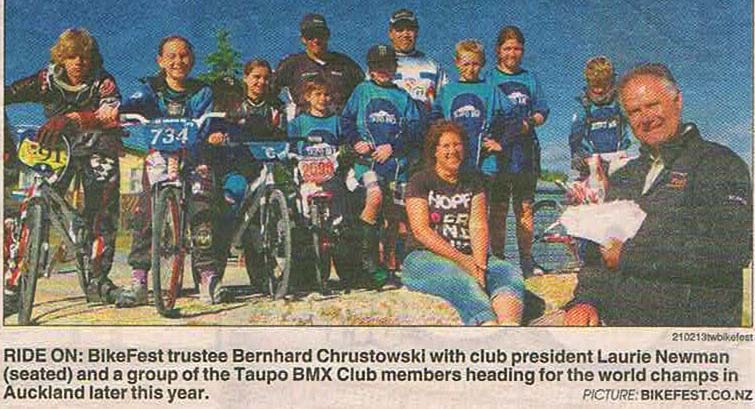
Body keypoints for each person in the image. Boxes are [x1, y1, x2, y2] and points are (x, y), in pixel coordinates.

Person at [564, 63, 752, 326]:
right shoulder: (623, 176)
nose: (645, 117)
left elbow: (732, 249)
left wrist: (630, 255)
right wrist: (586, 300)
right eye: (635, 111)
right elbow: (600, 254)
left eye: (652, 105)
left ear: (678, 101)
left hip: (685, 339)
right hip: (618, 330)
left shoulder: (719, 164)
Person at [4, 28, 123, 304]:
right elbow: (10, 93)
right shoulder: (47, 79)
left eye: (84, 56)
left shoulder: (103, 81)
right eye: (71, 56)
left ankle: (98, 281)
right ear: (61, 58)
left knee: (102, 211)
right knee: (35, 206)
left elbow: (111, 111)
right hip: (58, 150)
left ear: (92, 58)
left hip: (97, 145)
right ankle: (14, 287)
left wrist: (73, 118)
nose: (78, 62)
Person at [117, 35, 220, 306]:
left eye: (184, 55)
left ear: (193, 60)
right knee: (146, 215)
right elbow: (134, 104)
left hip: (193, 158)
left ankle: (208, 276)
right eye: (171, 56)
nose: (178, 61)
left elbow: (204, 125)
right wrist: (121, 110)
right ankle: (139, 279)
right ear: (160, 61)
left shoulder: (202, 92)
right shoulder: (151, 88)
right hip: (159, 159)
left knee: (201, 213)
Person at [402, 120, 524, 325]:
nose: (453, 151)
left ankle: (509, 330)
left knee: (508, 272)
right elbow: (421, 230)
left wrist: (480, 265)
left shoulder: (474, 181)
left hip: (469, 254)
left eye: (457, 145)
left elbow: (478, 225)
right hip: (424, 258)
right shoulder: (420, 180)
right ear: (435, 152)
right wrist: (463, 261)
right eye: (446, 146)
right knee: (460, 280)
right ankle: (487, 326)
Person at [341, 44, 424, 288]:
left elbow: (414, 130)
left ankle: (390, 266)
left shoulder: (403, 96)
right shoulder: (362, 90)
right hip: (366, 164)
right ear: (370, 69)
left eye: (387, 65)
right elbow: (346, 120)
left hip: (397, 164)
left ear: (395, 68)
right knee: (374, 196)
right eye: (377, 66)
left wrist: (393, 146)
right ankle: (367, 263)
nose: (383, 70)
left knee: (395, 216)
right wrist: (356, 141)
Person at [206, 58, 287, 295]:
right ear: (246, 77)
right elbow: (215, 127)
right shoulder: (232, 102)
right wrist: (217, 136)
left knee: (260, 218)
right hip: (235, 166)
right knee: (234, 197)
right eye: (255, 77)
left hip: (262, 166)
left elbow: (282, 133)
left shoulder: (275, 106)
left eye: (265, 78)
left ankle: (262, 275)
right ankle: (214, 273)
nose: (260, 82)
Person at [486, 26, 549, 276]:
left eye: (517, 48)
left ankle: (527, 262)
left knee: (524, 208)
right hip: (499, 154)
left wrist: (528, 122)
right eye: (507, 48)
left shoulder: (530, 79)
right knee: (498, 209)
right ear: (498, 51)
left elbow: (542, 112)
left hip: (525, 152)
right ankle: (499, 261)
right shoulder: (490, 78)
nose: (512, 53)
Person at [274, 13, 364, 118]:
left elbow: (366, 93)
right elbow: (266, 91)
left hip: (340, 129)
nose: (316, 40)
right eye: (310, 36)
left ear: (328, 36)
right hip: (304, 129)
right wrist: (283, 109)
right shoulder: (292, 64)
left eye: (320, 34)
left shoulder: (346, 64)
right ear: (302, 39)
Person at [569, 56, 630, 177]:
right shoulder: (583, 106)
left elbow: (635, 127)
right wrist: (578, 156)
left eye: (603, 84)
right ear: (588, 82)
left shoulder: (621, 101)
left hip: (618, 160)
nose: (599, 90)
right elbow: (575, 138)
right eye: (595, 85)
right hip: (591, 162)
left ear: (612, 81)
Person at [387, 8, 447, 109]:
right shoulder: (379, 67)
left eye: (410, 29)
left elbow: (445, 101)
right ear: (390, 34)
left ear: (417, 32)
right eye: (399, 30)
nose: (405, 34)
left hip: (426, 123)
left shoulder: (432, 66)